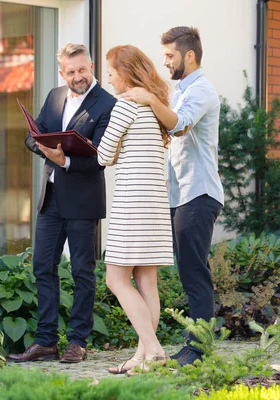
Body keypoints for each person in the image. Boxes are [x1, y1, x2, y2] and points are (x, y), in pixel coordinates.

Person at [7, 44, 116, 364]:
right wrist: (46, 149)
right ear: (62, 73)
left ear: (92, 66)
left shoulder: (106, 104)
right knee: (43, 267)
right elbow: (32, 135)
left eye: (83, 70)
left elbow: (100, 158)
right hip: (50, 198)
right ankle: (45, 341)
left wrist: (65, 159)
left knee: (83, 271)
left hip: (83, 200)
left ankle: (78, 342)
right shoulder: (54, 96)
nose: (78, 77)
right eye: (71, 72)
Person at [123, 26, 224, 366]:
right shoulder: (181, 90)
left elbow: (179, 124)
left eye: (170, 55)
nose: (164, 61)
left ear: (189, 55)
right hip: (181, 194)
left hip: (200, 192)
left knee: (195, 272)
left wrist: (150, 99)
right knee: (188, 271)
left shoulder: (202, 91)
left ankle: (199, 349)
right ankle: (194, 344)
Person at [97, 45, 173, 374]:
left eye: (112, 72)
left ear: (125, 74)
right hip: (155, 201)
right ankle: (142, 358)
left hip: (132, 201)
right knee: (147, 281)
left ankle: (153, 350)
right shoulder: (154, 108)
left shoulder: (124, 105)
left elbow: (103, 156)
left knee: (116, 278)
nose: (109, 78)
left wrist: (110, 152)